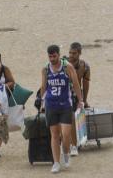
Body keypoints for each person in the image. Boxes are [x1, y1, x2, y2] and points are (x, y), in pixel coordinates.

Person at [40, 45, 84, 174]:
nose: (52, 59)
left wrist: (80, 100)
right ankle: (56, 163)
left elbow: (75, 84)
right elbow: (43, 86)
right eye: (50, 56)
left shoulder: (67, 67)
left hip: (65, 105)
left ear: (59, 55)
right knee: (54, 135)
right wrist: (41, 100)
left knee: (65, 135)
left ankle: (66, 153)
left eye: (54, 56)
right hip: (51, 105)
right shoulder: (45, 69)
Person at [67, 42, 91, 154]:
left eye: (74, 53)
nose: (71, 55)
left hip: (76, 94)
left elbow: (85, 85)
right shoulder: (63, 63)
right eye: (70, 53)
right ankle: (70, 144)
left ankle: (74, 144)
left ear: (79, 53)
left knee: (73, 118)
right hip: (63, 94)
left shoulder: (85, 66)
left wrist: (84, 100)